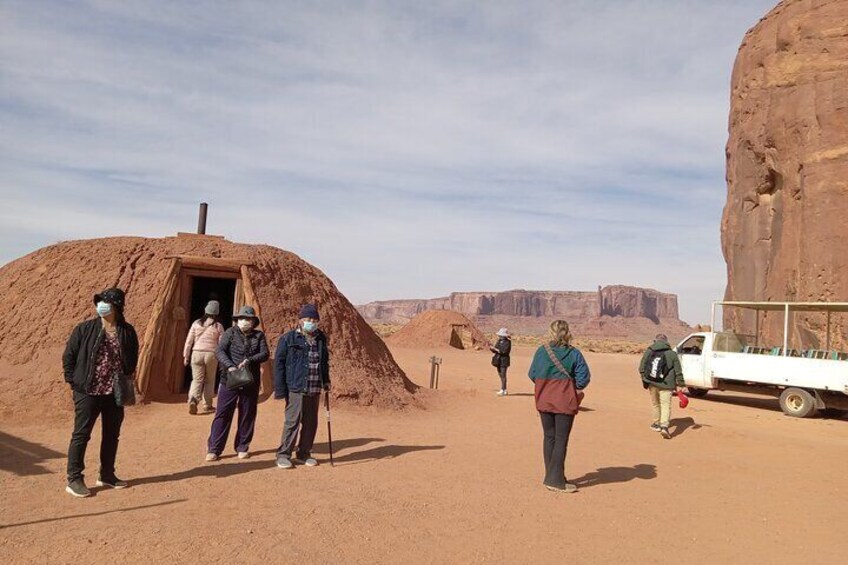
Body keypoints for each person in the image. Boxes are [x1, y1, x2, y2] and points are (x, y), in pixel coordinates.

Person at [62, 287, 139, 498]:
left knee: (112, 435)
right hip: (87, 391)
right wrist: (73, 381)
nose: (101, 305)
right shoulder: (85, 329)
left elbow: (133, 357)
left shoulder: (127, 331)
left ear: (117, 307)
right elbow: (69, 356)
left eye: (107, 302)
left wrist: (124, 376)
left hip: (113, 393)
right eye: (100, 301)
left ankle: (107, 474)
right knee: (81, 434)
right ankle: (74, 479)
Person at [528, 320, 590, 493]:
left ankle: (552, 476)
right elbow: (584, 378)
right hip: (565, 401)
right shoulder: (573, 353)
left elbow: (532, 374)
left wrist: (547, 384)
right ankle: (555, 480)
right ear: (567, 332)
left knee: (549, 437)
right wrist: (568, 386)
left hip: (543, 399)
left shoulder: (541, 351)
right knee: (561, 439)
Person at [206, 305, 269, 461]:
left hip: (250, 380)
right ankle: (214, 449)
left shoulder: (259, 336)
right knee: (223, 413)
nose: (244, 321)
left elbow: (265, 353)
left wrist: (250, 360)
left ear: (253, 321)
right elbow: (219, 351)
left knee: (247, 413)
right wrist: (231, 366)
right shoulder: (230, 333)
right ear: (237, 320)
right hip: (229, 379)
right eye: (242, 318)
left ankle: (242, 446)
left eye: (248, 319)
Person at [273, 304, 330, 469]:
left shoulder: (320, 338)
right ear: (300, 320)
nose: (311, 322)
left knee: (311, 422)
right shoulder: (288, 338)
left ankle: (304, 453)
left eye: (314, 319)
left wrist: (326, 380)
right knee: (292, 421)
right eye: (308, 319)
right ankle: (283, 454)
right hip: (296, 387)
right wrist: (280, 389)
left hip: (314, 387)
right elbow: (279, 365)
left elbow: (324, 362)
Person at [639, 333, 685, 439]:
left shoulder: (649, 351)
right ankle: (664, 426)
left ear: (655, 341)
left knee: (655, 404)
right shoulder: (672, 354)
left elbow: (641, 367)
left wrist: (644, 379)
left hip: (652, 382)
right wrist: (681, 384)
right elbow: (678, 371)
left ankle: (656, 424)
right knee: (665, 405)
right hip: (667, 385)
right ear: (666, 342)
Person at [183, 300, 225, 415]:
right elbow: (222, 344)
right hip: (211, 354)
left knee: (197, 379)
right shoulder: (218, 326)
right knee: (209, 380)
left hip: (196, 353)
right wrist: (222, 360)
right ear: (217, 312)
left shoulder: (196, 323)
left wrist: (186, 356)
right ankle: (207, 405)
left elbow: (189, 341)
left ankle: (193, 399)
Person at [489, 328, 512, 396]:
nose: (500, 336)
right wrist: (492, 349)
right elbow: (496, 349)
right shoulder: (499, 341)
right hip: (498, 360)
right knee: (500, 375)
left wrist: (497, 350)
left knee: (503, 375)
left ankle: (503, 389)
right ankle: (504, 389)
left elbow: (505, 351)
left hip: (504, 360)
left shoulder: (508, 342)